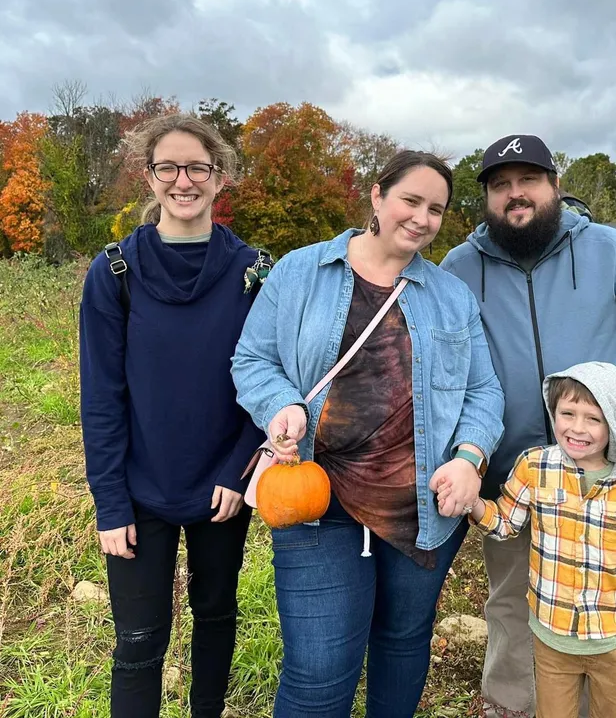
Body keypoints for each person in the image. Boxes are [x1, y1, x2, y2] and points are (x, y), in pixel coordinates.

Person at [231, 150, 505, 718]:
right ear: (377, 195)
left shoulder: (451, 296)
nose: (422, 218)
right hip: (316, 500)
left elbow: (486, 391)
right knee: (319, 668)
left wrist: (469, 458)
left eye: (436, 209)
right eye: (411, 200)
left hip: (422, 505)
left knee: (403, 643)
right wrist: (281, 403)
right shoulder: (300, 272)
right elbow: (252, 359)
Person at [440, 134, 616, 718]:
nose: (515, 194)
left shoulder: (605, 251)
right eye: (500, 185)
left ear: (554, 186)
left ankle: (585, 704)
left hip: (602, 475)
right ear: (487, 198)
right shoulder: (461, 266)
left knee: (598, 593)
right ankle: (510, 702)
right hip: (510, 475)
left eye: (528, 180)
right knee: (511, 597)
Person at [80, 114, 266, 718]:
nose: (183, 181)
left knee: (215, 618)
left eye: (198, 168)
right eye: (169, 167)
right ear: (149, 176)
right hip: (137, 492)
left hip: (222, 487)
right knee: (137, 643)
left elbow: (268, 383)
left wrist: (240, 471)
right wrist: (110, 502)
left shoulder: (254, 274)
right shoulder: (114, 273)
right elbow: (102, 398)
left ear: (220, 178)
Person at [438, 362, 616, 718]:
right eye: (567, 413)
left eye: (593, 418)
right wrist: (473, 503)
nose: (577, 428)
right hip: (551, 638)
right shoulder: (535, 466)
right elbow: (505, 523)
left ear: (615, 423)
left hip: (611, 638)